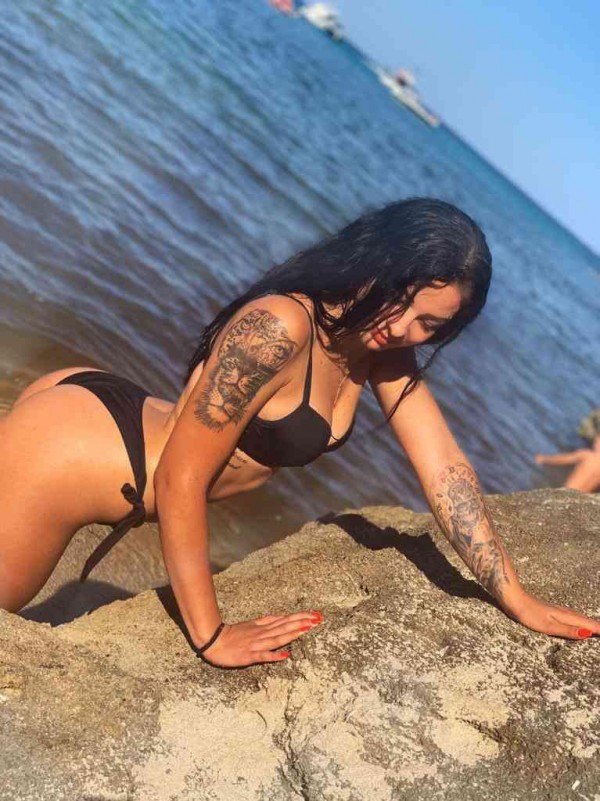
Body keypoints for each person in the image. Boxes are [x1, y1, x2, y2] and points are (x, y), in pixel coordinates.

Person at [1, 198, 598, 669]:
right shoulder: (280, 325)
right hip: (72, 456)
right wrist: (210, 634)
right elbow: (181, 475)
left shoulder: (379, 347)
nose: (403, 328)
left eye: (429, 324)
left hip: (114, 416)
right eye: (401, 300)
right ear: (377, 261)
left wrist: (514, 596)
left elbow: (443, 466)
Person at [535, 408, 600, 492]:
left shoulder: (587, 455)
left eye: (597, 441)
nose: (595, 442)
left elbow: (564, 459)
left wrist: (544, 459)